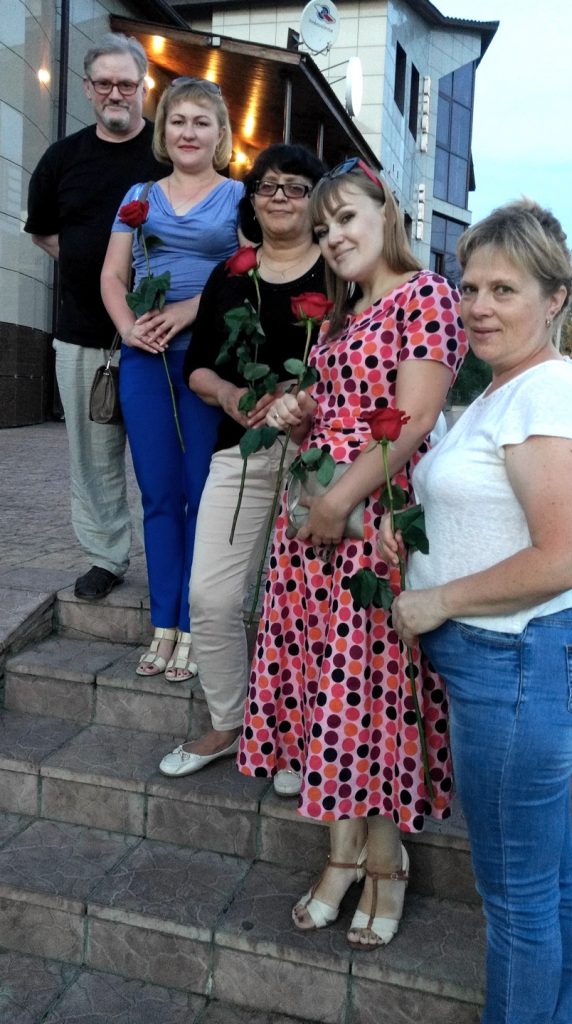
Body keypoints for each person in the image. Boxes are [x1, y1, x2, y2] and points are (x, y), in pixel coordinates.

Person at [384, 200, 572, 1022]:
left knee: (515, 900)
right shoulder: (503, 390)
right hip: (513, 663)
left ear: (554, 299)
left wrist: (434, 598)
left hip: (521, 664)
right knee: (542, 882)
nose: (478, 306)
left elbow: (563, 557)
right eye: (469, 286)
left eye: (503, 290)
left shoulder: (543, 395)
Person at [237, 159, 468, 950]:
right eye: (324, 225)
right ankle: (342, 856)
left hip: (370, 523)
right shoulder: (341, 317)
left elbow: (412, 419)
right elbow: (331, 418)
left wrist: (339, 499)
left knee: (365, 698)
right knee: (321, 692)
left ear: (385, 212)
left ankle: (382, 866)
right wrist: (302, 417)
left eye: (345, 219)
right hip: (311, 530)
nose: (332, 236)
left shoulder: (424, 295)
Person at [157, 143, 326, 770]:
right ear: (251, 200)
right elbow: (198, 367)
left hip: (321, 458)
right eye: (267, 185)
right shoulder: (230, 275)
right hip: (243, 450)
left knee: (306, 605)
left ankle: (298, 739)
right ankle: (229, 722)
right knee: (213, 596)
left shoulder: (339, 273)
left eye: (295, 186)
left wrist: (304, 392)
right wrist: (228, 392)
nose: (279, 195)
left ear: (317, 202)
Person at [101, 78, 244, 680]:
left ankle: (194, 624)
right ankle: (164, 624)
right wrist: (131, 326)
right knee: (158, 494)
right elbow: (112, 275)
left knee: (199, 492)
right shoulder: (138, 194)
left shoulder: (240, 196)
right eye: (178, 121)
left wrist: (190, 310)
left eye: (201, 122)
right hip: (144, 358)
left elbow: (247, 270)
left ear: (220, 134)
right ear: (164, 131)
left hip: (206, 358)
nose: (189, 132)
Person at [24, 33, 167, 601]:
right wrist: (97, 270)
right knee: (92, 456)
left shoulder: (167, 151)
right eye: (104, 83)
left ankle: (175, 562)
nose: (116, 93)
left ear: (142, 87)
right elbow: (43, 232)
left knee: (165, 453)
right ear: (87, 89)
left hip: (162, 335)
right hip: (84, 335)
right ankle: (105, 557)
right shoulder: (62, 158)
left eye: (126, 83)